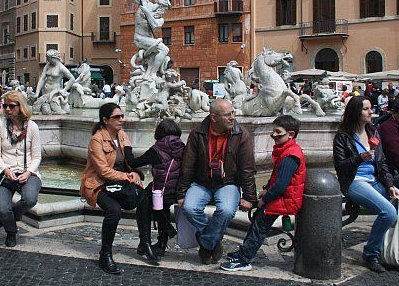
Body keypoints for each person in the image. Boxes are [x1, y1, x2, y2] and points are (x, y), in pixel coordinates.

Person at [333, 96, 399, 273]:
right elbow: (340, 166)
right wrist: (359, 158)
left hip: (376, 180)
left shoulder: (374, 132)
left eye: (370, 108)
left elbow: (382, 163)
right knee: (388, 212)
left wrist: (389, 185)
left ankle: (386, 246)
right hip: (355, 181)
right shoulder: (343, 136)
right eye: (366, 109)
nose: (371, 112)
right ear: (356, 112)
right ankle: (371, 253)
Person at [221, 115, 307, 272]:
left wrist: (265, 199)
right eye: (273, 131)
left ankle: (245, 259)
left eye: (278, 132)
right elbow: (277, 178)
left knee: (259, 226)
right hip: (281, 197)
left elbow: (281, 185)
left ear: (291, 134)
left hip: (285, 199)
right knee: (257, 223)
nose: (273, 135)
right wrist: (267, 188)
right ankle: (244, 253)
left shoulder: (290, 156)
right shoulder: (287, 151)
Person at [176, 98, 257, 265]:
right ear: (213, 117)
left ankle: (206, 243)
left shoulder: (241, 134)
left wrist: (249, 197)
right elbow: (188, 165)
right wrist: (181, 193)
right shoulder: (197, 133)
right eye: (227, 115)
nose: (232, 117)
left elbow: (247, 168)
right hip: (201, 183)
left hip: (228, 183)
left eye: (233, 113)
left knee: (227, 210)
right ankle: (214, 238)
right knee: (189, 208)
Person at [80, 103, 158, 274]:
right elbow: (103, 171)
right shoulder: (96, 140)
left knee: (145, 197)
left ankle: (145, 243)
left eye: (122, 116)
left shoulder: (122, 135)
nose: (121, 119)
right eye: (116, 117)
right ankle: (105, 254)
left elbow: (129, 160)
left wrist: (135, 172)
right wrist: (127, 176)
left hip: (118, 183)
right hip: (98, 185)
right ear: (105, 120)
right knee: (114, 211)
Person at [0, 91, 41, 247]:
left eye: (11, 106)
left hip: (29, 172)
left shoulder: (32, 127)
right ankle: (11, 231)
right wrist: (6, 169)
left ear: (21, 107)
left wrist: (28, 172)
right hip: (5, 173)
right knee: (2, 208)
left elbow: (37, 157)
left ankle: (8, 216)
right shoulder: (0, 125)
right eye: (5, 105)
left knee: (30, 199)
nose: (7, 109)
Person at [130, 119, 185, 256]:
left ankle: (145, 241)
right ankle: (161, 243)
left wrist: (127, 148)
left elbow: (134, 162)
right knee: (158, 201)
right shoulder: (182, 146)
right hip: (177, 190)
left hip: (162, 191)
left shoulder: (158, 149)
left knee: (143, 201)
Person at [126, 0, 172, 79]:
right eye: (164, 9)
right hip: (140, 38)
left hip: (149, 40)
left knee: (163, 51)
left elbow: (154, 25)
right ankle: (152, 74)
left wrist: (147, 12)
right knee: (164, 49)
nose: (164, 12)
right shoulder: (144, 1)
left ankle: (151, 73)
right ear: (160, 5)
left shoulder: (160, 19)